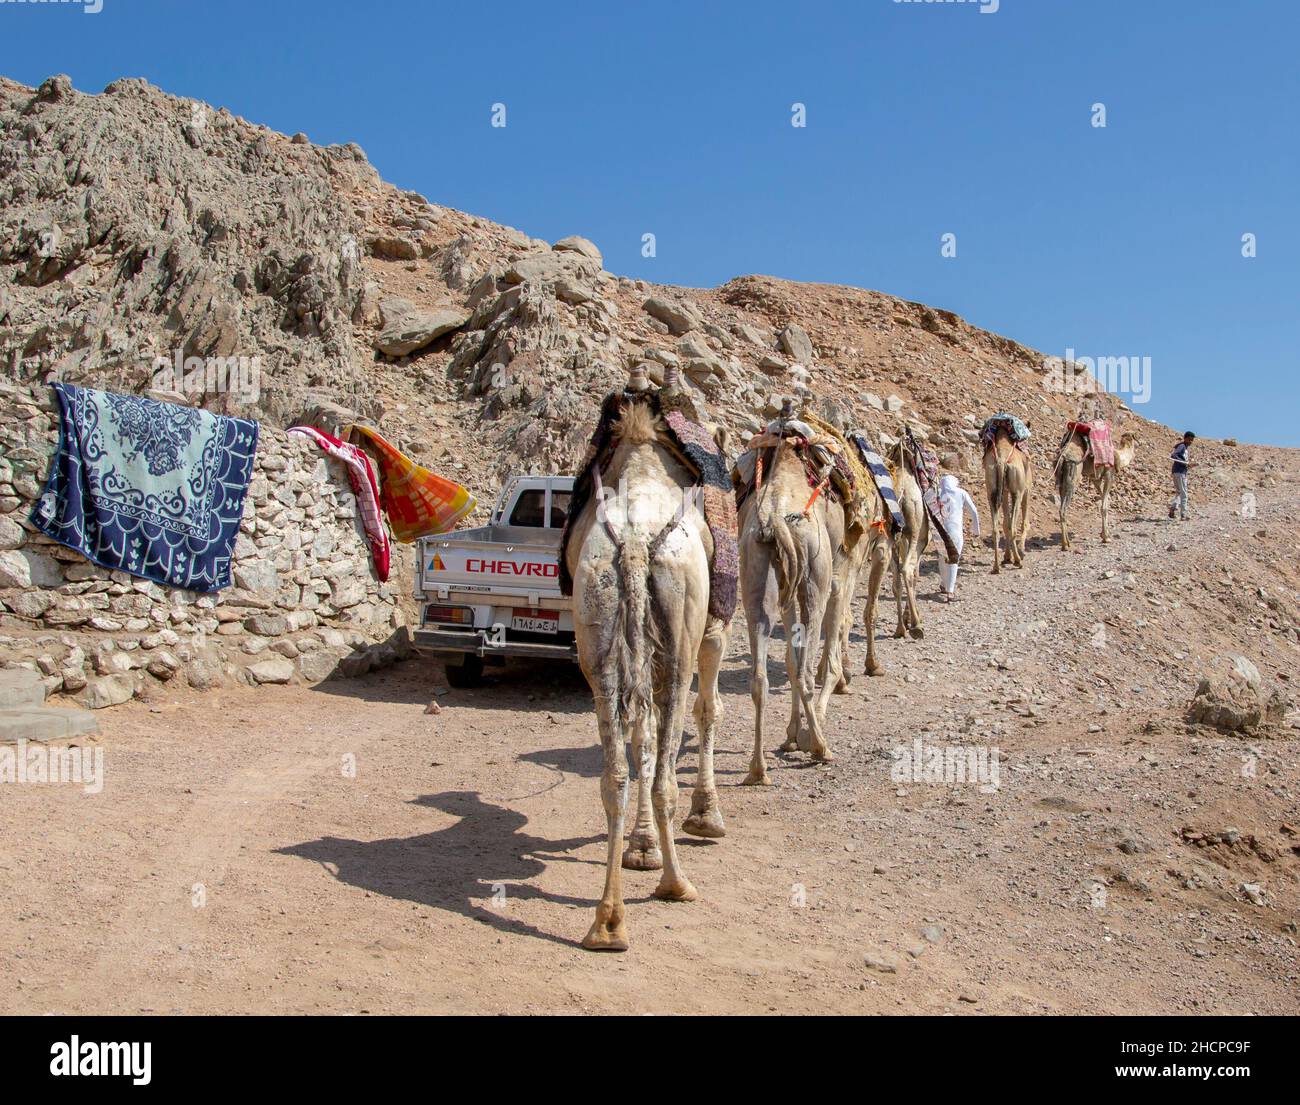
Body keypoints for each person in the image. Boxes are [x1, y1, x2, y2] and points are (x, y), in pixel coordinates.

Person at [935, 473, 980, 601]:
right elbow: (974, 510)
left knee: (942, 558)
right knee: (954, 560)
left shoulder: (937, 493)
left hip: (940, 531)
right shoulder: (961, 493)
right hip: (955, 531)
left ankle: (944, 584)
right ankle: (950, 591)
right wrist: (976, 530)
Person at [1169, 431, 1194, 520]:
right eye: (1189, 439)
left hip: (1176, 471)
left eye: (1192, 440)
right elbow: (1174, 455)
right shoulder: (1182, 446)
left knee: (1179, 492)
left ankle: (1172, 509)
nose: (1191, 442)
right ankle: (1183, 514)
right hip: (1180, 472)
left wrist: (1186, 464)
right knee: (1184, 493)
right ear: (1185, 438)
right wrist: (1185, 463)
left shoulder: (1183, 447)